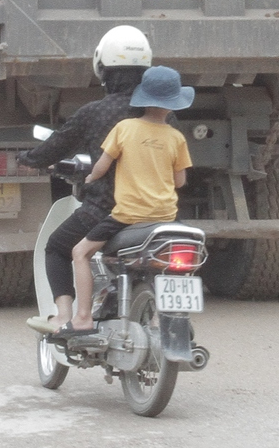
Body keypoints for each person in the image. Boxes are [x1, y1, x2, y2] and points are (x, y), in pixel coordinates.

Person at [20, 26, 153, 335]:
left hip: (106, 210)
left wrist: (28, 159)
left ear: (103, 69)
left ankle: (65, 317)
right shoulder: (163, 115)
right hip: (156, 212)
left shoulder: (95, 113)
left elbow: (56, 146)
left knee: (56, 247)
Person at [57, 65, 194, 336]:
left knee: (79, 252)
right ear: (172, 104)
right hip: (166, 216)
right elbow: (180, 182)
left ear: (143, 98)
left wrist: (89, 180)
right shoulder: (176, 138)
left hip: (127, 216)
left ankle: (83, 318)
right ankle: (174, 319)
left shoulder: (124, 128)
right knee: (181, 257)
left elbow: (101, 166)